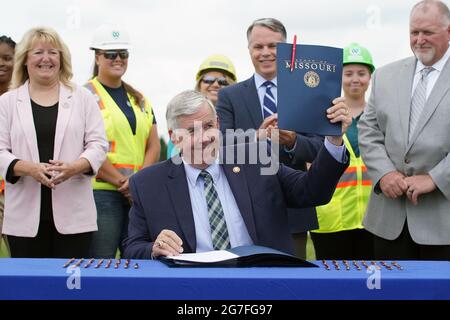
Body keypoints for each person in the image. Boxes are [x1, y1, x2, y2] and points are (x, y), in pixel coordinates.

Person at [122, 90, 351, 259]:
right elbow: (132, 247)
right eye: (192, 131)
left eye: (209, 126)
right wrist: (154, 248)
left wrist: (333, 140)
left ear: (218, 124)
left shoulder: (256, 159)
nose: (204, 138)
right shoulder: (147, 184)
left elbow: (311, 192)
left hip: (261, 281)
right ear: (174, 136)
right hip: (192, 287)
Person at [216, 18, 325, 258]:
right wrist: (256, 137)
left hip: (293, 209)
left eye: (273, 46)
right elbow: (220, 147)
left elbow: (320, 149)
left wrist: (293, 141)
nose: (265, 53)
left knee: (291, 285)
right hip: (243, 208)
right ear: (249, 50)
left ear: (287, 50)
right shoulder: (229, 96)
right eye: (258, 47)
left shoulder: (307, 94)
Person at [0, 27, 108, 258]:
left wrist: (74, 167)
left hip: (74, 215)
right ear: (25, 59)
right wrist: (28, 168)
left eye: (53, 52)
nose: (46, 58)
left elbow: (98, 144)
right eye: (38, 52)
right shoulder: (7, 102)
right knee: (29, 288)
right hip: (24, 217)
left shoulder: (83, 98)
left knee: (71, 287)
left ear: (62, 59)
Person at [358, 0, 450, 260]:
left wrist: (435, 178)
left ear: (449, 32)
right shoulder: (385, 76)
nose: (419, 40)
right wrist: (385, 173)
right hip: (389, 223)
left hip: (444, 225)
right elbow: (368, 129)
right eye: (414, 32)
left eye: (428, 32)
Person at [86, 25, 160, 258]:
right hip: (102, 193)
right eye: (110, 54)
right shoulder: (84, 95)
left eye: (123, 54)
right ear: (98, 56)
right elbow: (85, 145)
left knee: (139, 261)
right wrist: (123, 182)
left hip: (137, 196)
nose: (118, 59)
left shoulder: (139, 98)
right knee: (100, 261)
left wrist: (137, 183)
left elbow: (153, 144)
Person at [311, 43, 375, 260]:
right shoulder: (324, 114)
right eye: (348, 73)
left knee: (373, 286)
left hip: (373, 218)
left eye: (361, 73)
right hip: (332, 219)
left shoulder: (380, 114)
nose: (355, 79)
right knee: (334, 288)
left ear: (370, 76)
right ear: (339, 76)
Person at [167, 54, 237, 158]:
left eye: (223, 81)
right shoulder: (182, 119)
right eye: (208, 79)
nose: (215, 84)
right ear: (199, 84)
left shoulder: (241, 118)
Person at [0, 35, 15, 254]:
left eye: (7, 58)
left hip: (14, 190)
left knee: (20, 258)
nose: (1, 63)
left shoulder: (24, 98)